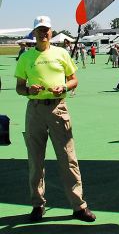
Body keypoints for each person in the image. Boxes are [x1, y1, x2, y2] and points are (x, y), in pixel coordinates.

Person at [14, 15, 96, 223]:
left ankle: (79, 207)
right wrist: (28, 90)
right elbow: (19, 88)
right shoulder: (25, 58)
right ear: (34, 33)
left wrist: (65, 87)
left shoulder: (62, 53)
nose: (43, 33)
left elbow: (74, 80)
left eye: (46, 29)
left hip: (59, 109)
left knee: (68, 159)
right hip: (35, 110)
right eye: (39, 29)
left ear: (51, 32)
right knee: (36, 161)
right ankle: (37, 205)